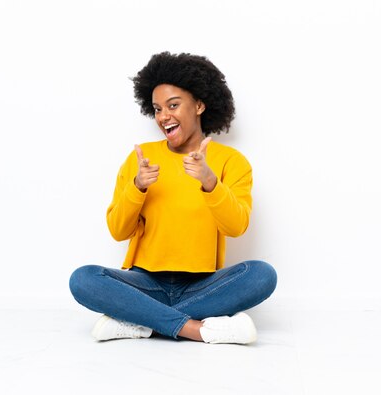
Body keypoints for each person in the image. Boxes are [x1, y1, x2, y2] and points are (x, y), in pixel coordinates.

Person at [69, 52, 277, 344]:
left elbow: (236, 227)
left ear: (200, 105)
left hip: (203, 284)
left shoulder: (231, 161)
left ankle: (140, 321)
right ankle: (196, 329)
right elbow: (118, 231)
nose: (163, 116)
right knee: (83, 279)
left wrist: (209, 182)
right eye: (157, 109)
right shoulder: (142, 158)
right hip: (145, 282)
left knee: (261, 275)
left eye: (173, 105)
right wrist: (137, 187)